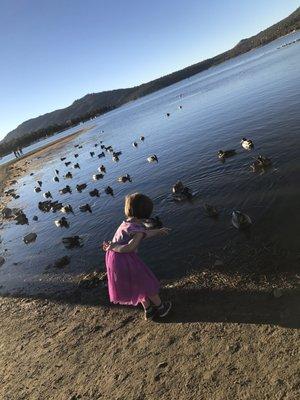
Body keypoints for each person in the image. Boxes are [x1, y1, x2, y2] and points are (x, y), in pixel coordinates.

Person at [103, 193, 172, 320]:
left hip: (113, 260)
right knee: (147, 282)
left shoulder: (126, 223)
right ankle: (161, 308)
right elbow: (131, 247)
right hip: (125, 259)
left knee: (136, 284)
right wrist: (113, 247)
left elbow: (142, 234)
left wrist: (157, 231)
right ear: (147, 214)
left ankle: (148, 310)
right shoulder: (137, 230)